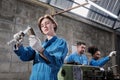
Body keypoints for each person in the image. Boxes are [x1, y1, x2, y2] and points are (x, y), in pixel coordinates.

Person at [13, 14, 68, 80]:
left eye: (47, 23)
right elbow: (25, 56)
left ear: (54, 24)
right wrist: (19, 44)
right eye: (42, 26)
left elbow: (57, 63)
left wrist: (41, 50)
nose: (44, 26)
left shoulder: (61, 43)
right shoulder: (41, 44)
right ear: (41, 30)